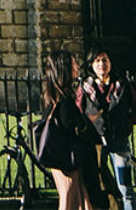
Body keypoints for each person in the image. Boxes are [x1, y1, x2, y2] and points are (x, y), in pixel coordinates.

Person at [77, 48, 136, 210]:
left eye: (105, 60)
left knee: (125, 187)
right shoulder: (85, 87)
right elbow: (78, 113)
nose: (102, 64)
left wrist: (126, 123)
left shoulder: (122, 84)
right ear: (91, 65)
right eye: (98, 60)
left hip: (119, 141)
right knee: (100, 187)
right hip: (96, 143)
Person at [39, 49, 98, 210]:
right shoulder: (64, 100)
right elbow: (71, 129)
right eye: (73, 63)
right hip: (68, 160)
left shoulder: (51, 96)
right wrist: (86, 122)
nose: (77, 67)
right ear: (64, 68)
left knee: (77, 200)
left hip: (61, 158)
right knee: (69, 200)